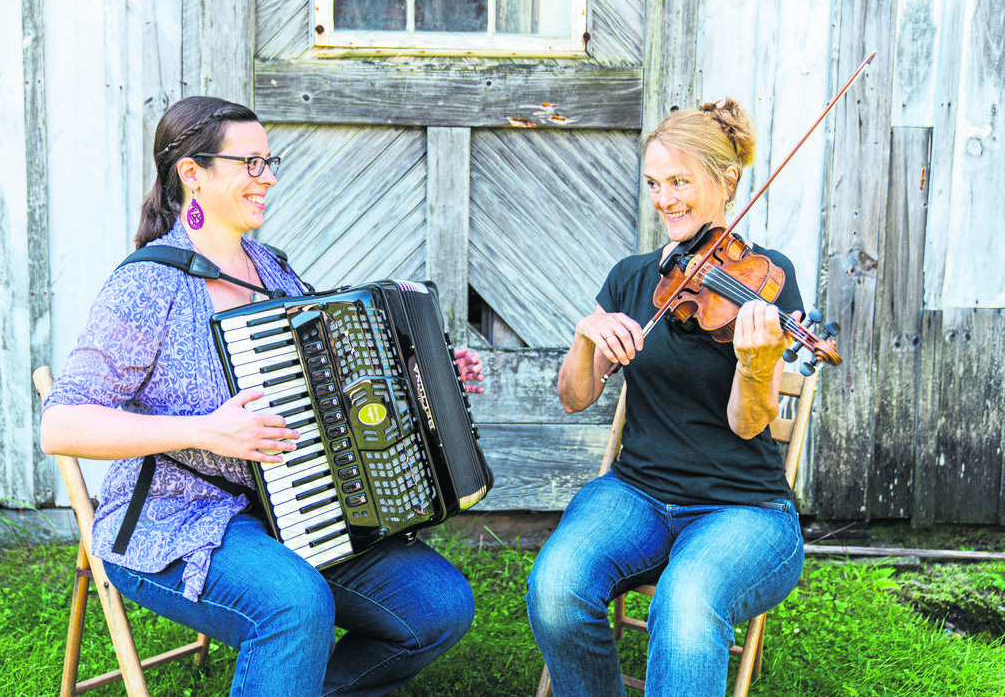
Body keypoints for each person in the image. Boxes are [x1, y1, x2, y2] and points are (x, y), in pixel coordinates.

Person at [40, 95, 485, 697]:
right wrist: (203, 430)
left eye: (270, 161)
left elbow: (332, 380)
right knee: (294, 605)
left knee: (440, 605)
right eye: (250, 163)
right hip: (178, 520)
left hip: (297, 507)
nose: (267, 177)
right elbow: (61, 426)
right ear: (191, 174)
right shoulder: (147, 286)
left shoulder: (271, 269)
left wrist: (425, 375)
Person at [525, 99, 805, 697]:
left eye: (680, 181)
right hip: (637, 495)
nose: (665, 198)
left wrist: (757, 364)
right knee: (555, 587)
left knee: (684, 600)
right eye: (655, 183)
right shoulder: (633, 277)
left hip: (743, 511)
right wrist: (585, 335)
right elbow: (575, 397)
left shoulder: (766, 277)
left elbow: (750, 423)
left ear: (727, 181)